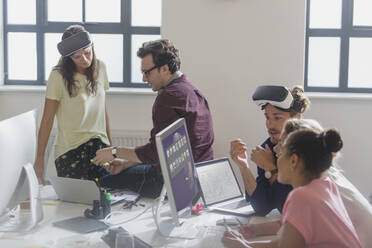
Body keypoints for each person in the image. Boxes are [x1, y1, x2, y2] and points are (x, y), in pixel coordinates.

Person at [92, 39, 214, 198]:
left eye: (147, 73)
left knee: (103, 183)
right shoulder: (192, 91)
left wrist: (114, 152)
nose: (144, 79)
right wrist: (126, 164)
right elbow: (164, 150)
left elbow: (156, 153)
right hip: (199, 178)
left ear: (164, 69)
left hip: (174, 182)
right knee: (123, 173)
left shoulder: (168, 97)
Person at [230, 119, 372, 248]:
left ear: (293, 161)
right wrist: (248, 240)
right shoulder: (325, 185)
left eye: (281, 148)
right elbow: (287, 236)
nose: (275, 150)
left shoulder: (301, 196)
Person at [34, 25, 112, 184]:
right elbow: (47, 120)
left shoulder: (101, 67)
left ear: (92, 47)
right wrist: (39, 160)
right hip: (70, 151)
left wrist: (112, 149)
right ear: (68, 57)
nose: (84, 59)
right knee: (75, 205)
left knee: (103, 202)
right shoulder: (58, 76)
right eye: (77, 57)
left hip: (100, 148)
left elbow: (103, 111)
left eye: (87, 53)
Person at [230, 85, 310, 215]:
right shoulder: (268, 148)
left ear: (296, 118)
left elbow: (291, 211)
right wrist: (243, 167)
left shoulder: (310, 150)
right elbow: (262, 206)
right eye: (267, 117)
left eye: (277, 118)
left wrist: (271, 168)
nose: (269, 125)